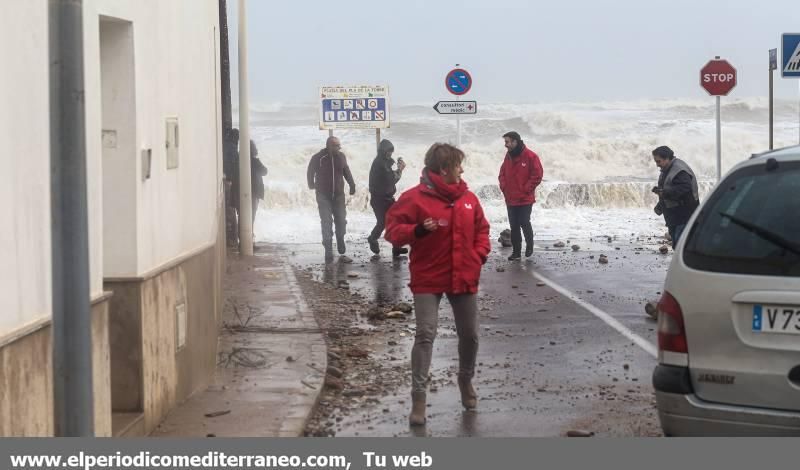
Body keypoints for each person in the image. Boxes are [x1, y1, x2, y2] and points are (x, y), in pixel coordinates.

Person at [385, 143, 491, 426]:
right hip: (428, 278)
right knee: (425, 335)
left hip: (463, 276)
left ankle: (465, 380)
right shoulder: (414, 199)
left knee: (470, 335)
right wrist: (417, 230)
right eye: (458, 165)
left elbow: (483, 230)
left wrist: (478, 255)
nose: (462, 170)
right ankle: (418, 399)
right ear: (444, 170)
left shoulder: (469, 199)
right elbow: (392, 232)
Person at [307, 136, 356, 263]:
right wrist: (311, 184)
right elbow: (310, 171)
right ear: (329, 146)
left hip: (339, 195)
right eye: (336, 145)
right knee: (326, 221)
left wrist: (352, 184)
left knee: (341, 220)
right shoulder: (318, 157)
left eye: (339, 145)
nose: (339, 147)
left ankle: (340, 238)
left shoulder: (341, 156)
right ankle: (328, 247)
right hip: (323, 195)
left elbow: (346, 171)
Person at [498, 131, 544, 260]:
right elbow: (501, 173)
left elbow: (537, 175)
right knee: (514, 226)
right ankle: (516, 252)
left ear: (515, 141)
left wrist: (525, 189)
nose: (505, 145)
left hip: (525, 198)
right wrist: (504, 187)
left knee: (524, 222)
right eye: (505, 142)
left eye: (507, 142)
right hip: (510, 198)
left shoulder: (531, 156)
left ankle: (529, 245)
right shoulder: (508, 156)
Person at [651, 145, 699, 248]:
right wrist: (660, 205)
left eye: (658, 161)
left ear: (667, 158)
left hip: (683, 215)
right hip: (675, 216)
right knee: (678, 246)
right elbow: (669, 188)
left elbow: (685, 189)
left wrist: (664, 193)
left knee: (681, 247)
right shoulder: (668, 168)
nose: (657, 165)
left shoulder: (679, 170)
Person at [367, 139, 408, 257]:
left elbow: (390, 177)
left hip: (386, 197)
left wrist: (398, 168)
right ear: (383, 151)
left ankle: (396, 247)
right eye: (389, 151)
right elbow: (391, 179)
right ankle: (372, 238)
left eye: (391, 151)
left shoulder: (383, 162)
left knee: (395, 220)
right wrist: (400, 169)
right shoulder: (380, 164)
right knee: (382, 223)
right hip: (379, 199)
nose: (391, 154)